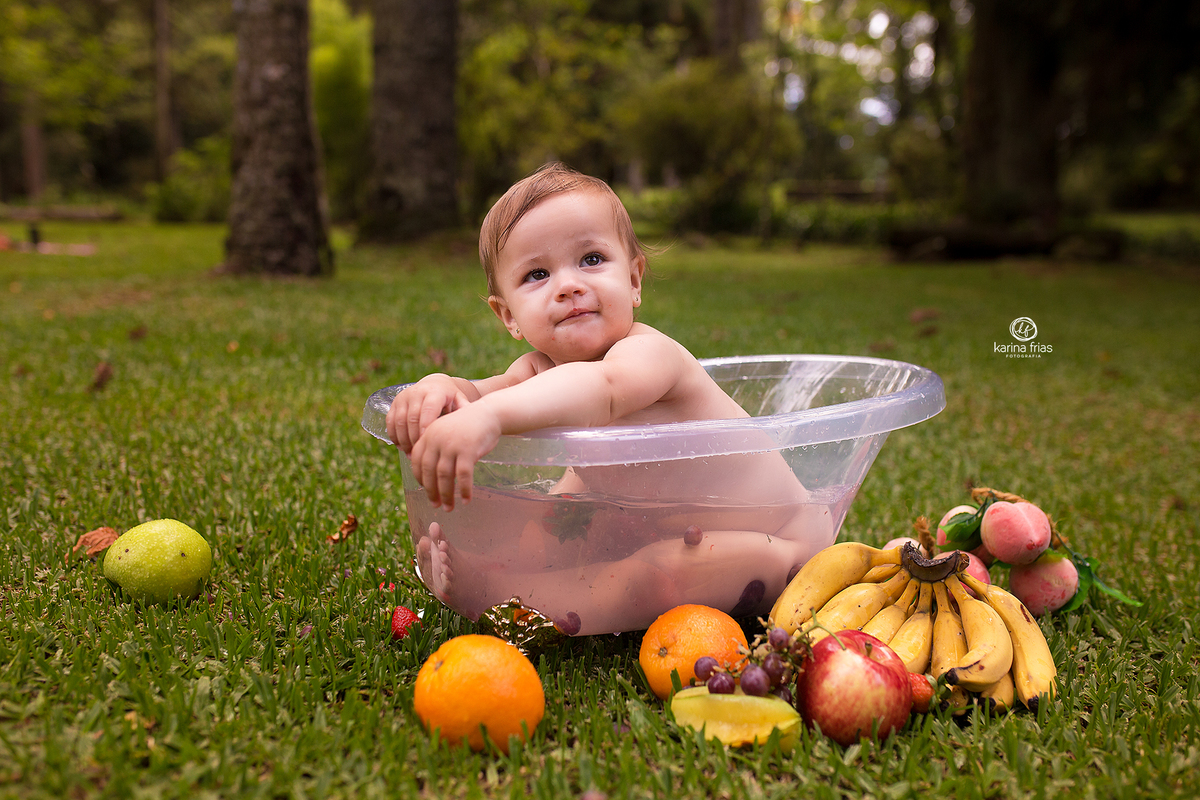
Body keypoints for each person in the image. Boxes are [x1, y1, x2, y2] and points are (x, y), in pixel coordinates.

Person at [386, 163, 832, 634]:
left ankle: (498, 590)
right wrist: (442, 388)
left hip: (783, 542)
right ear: (509, 316)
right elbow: (479, 393)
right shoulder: (536, 371)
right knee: (559, 514)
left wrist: (489, 416)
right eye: (537, 273)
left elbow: (602, 388)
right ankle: (502, 565)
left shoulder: (649, 354)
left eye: (592, 259)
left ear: (634, 280)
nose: (568, 285)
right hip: (656, 523)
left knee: (654, 573)